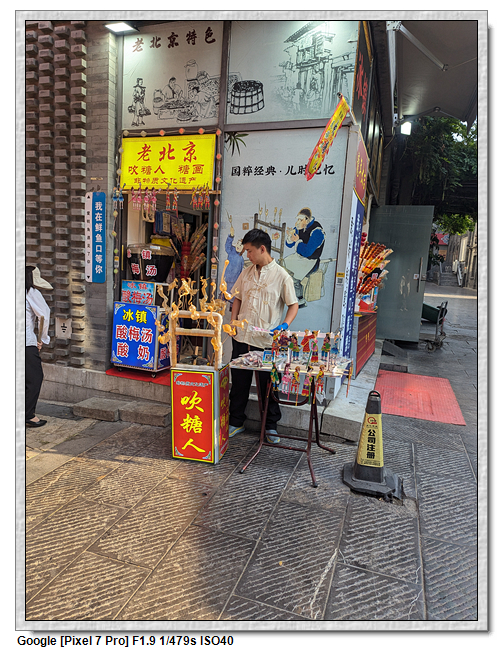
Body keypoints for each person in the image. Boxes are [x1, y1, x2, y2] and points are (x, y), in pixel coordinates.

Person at [229, 229, 298, 444]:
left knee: (269, 385)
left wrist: (285, 325)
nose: (247, 255)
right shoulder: (246, 273)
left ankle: (270, 426)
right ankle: (236, 421)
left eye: (249, 251)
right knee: (239, 382)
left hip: (267, 341)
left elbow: (293, 305)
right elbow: (237, 298)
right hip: (242, 336)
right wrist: (233, 322)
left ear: (262, 249)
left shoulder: (282, 276)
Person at [26, 266, 52, 428]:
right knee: (34, 378)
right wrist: (42, 338)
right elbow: (44, 315)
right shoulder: (31, 292)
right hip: (25, 342)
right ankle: (28, 414)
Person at [284, 207, 326, 307]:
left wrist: (297, 241)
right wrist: (290, 237)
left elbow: (307, 252)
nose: (298, 222)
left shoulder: (317, 231)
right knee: (281, 266)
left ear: (307, 219)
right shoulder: (300, 226)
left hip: (310, 261)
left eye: (300, 219)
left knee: (293, 275)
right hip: (299, 257)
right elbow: (289, 244)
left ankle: (300, 300)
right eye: (298, 219)